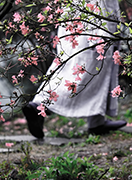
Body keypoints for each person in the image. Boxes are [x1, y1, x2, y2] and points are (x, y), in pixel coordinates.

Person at [22, 0, 126, 139]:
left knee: (73, 63)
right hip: (93, 11)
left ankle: (96, 121)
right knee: (89, 66)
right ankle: (40, 106)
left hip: (75, 11)